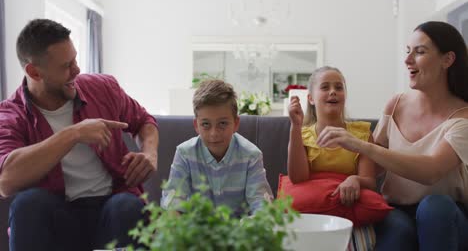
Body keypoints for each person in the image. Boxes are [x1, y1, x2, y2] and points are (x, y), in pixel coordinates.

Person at [0, 19, 159, 251]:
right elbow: (5, 181)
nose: (77, 70)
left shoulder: (102, 88)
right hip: (56, 213)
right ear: (34, 72)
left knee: (128, 206)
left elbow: (144, 121)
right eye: (66, 66)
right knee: (28, 205)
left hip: (111, 204)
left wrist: (150, 153)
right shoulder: (10, 114)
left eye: (75, 59)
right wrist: (73, 133)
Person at [315, 21, 468, 251]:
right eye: (408, 52)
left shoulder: (463, 118)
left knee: (434, 207)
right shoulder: (396, 104)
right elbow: (375, 166)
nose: (407, 61)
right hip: (396, 208)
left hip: (447, 215)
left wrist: (361, 145)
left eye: (419, 52)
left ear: (447, 60)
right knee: (394, 225)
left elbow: (430, 171)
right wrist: (356, 178)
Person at [161, 79, 273, 217]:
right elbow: (174, 202)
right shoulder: (184, 154)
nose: (214, 133)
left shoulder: (251, 155)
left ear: (236, 123)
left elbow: (261, 204)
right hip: (195, 232)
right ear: (196, 125)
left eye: (223, 123)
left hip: (239, 233)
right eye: (206, 124)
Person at [287, 66, 376, 207]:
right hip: (314, 208)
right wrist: (295, 127)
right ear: (311, 98)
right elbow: (298, 178)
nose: (333, 92)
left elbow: (370, 181)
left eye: (339, 88)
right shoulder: (301, 135)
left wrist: (356, 180)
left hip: (351, 207)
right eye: (325, 87)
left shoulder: (363, 134)